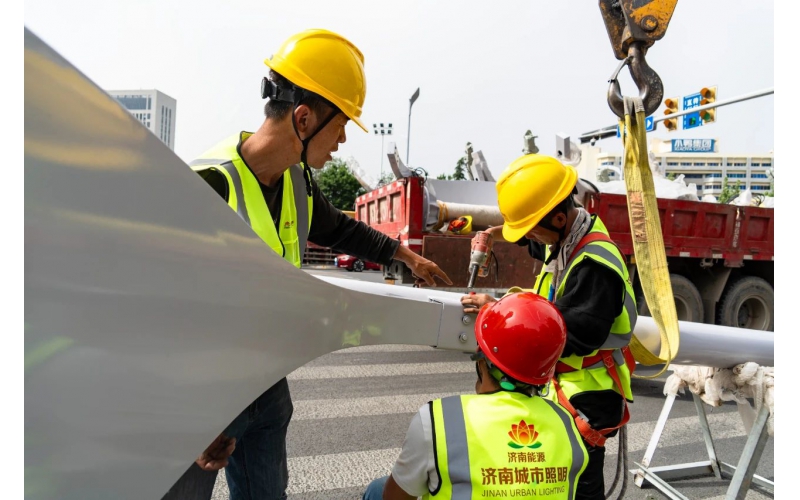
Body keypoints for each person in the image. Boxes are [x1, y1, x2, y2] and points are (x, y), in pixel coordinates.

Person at [169, 29, 452, 500]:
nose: (341, 142)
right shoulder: (209, 186)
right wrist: (197, 414)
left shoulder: (296, 181)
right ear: (303, 119)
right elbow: (168, 311)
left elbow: (339, 229)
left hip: (266, 386)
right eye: (340, 127)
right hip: (207, 394)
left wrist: (407, 257)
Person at [461, 154, 637, 500]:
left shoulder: (594, 266)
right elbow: (535, 242)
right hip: (565, 386)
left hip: (588, 395)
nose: (531, 240)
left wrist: (495, 313)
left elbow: (564, 334)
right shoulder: (566, 237)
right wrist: (495, 232)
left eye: (532, 230)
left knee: (579, 486)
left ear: (558, 218)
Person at [362, 292, 588, 500]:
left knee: (376, 490)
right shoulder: (566, 423)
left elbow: (394, 497)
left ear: (482, 362)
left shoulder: (440, 420)